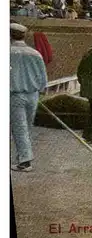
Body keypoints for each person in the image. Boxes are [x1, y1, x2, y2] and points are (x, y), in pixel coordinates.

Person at [10, 23, 48, 172]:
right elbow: (42, 76)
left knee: (20, 128)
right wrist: (41, 90)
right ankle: (22, 156)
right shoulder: (35, 53)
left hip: (15, 95)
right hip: (33, 95)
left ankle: (25, 162)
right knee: (26, 126)